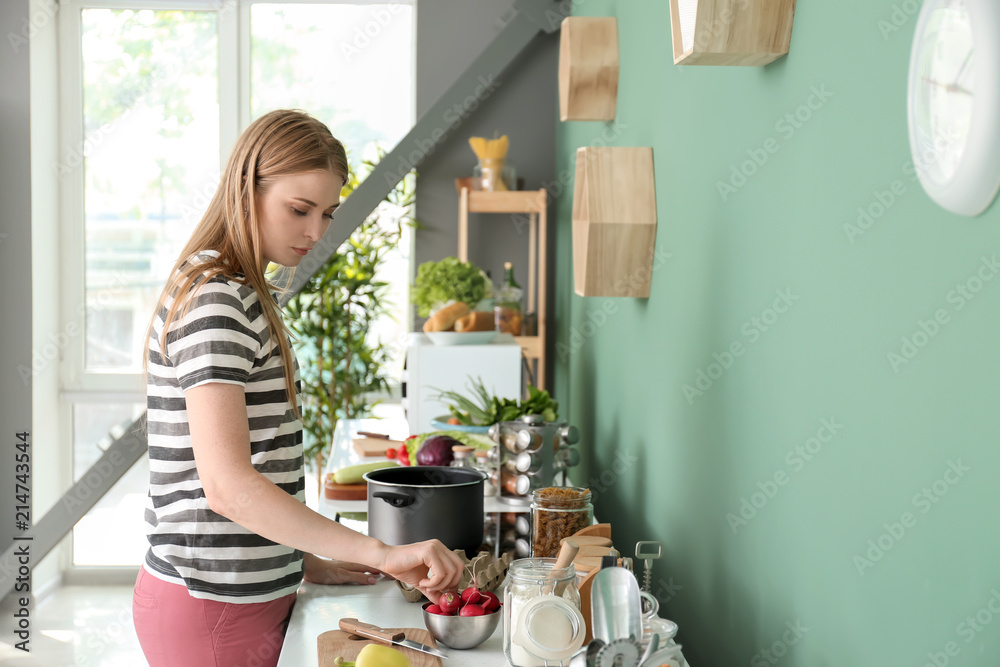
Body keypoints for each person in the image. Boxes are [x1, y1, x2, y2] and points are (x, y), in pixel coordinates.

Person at [133, 109, 464, 667]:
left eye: (328, 213)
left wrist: (302, 559)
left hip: (239, 595)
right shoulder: (218, 300)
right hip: (212, 603)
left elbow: (261, 466)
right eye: (299, 209)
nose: (316, 232)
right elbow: (228, 487)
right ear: (247, 190)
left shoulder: (242, 289)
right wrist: (381, 554)